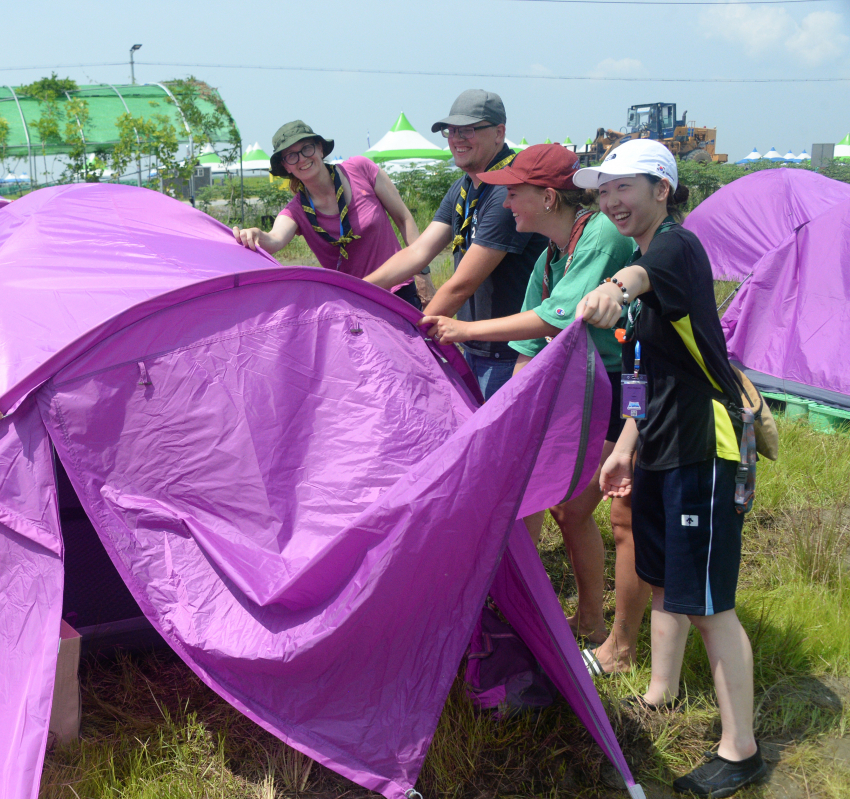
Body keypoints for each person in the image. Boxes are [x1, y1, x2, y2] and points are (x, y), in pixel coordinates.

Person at [575, 140, 764, 798]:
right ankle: (659, 693)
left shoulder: (674, 250)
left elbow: (637, 280)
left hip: (702, 448)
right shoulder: (643, 264)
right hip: (657, 447)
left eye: (623, 186)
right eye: (602, 191)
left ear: (662, 188)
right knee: (661, 580)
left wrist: (611, 287)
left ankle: (740, 750)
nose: (610, 201)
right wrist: (625, 444)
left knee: (709, 603)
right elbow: (639, 376)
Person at [419, 143, 635, 647]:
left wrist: (463, 331)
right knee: (552, 504)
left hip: (623, 388)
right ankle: (574, 617)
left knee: (590, 512)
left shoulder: (599, 236)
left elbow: (555, 319)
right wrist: (513, 419)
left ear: (548, 197)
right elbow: (526, 346)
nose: (507, 203)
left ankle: (602, 628)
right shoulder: (548, 256)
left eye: (514, 194)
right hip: (580, 389)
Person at [365, 90, 549, 400]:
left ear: (499, 132)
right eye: (452, 131)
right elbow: (418, 252)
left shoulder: (508, 188)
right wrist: (358, 289)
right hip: (473, 347)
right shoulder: (465, 186)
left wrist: (412, 341)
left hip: (509, 353)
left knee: (499, 445)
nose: (457, 138)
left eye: (469, 130)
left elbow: (462, 284)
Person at [233, 120, 431, 308]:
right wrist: (256, 235)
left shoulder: (361, 169)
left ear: (320, 148)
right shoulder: (297, 210)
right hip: (351, 302)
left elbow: (404, 219)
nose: (302, 158)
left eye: (306, 148)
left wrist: (423, 275)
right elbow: (275, 240)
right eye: (291, 156)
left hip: (399, 291)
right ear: (285, 166)